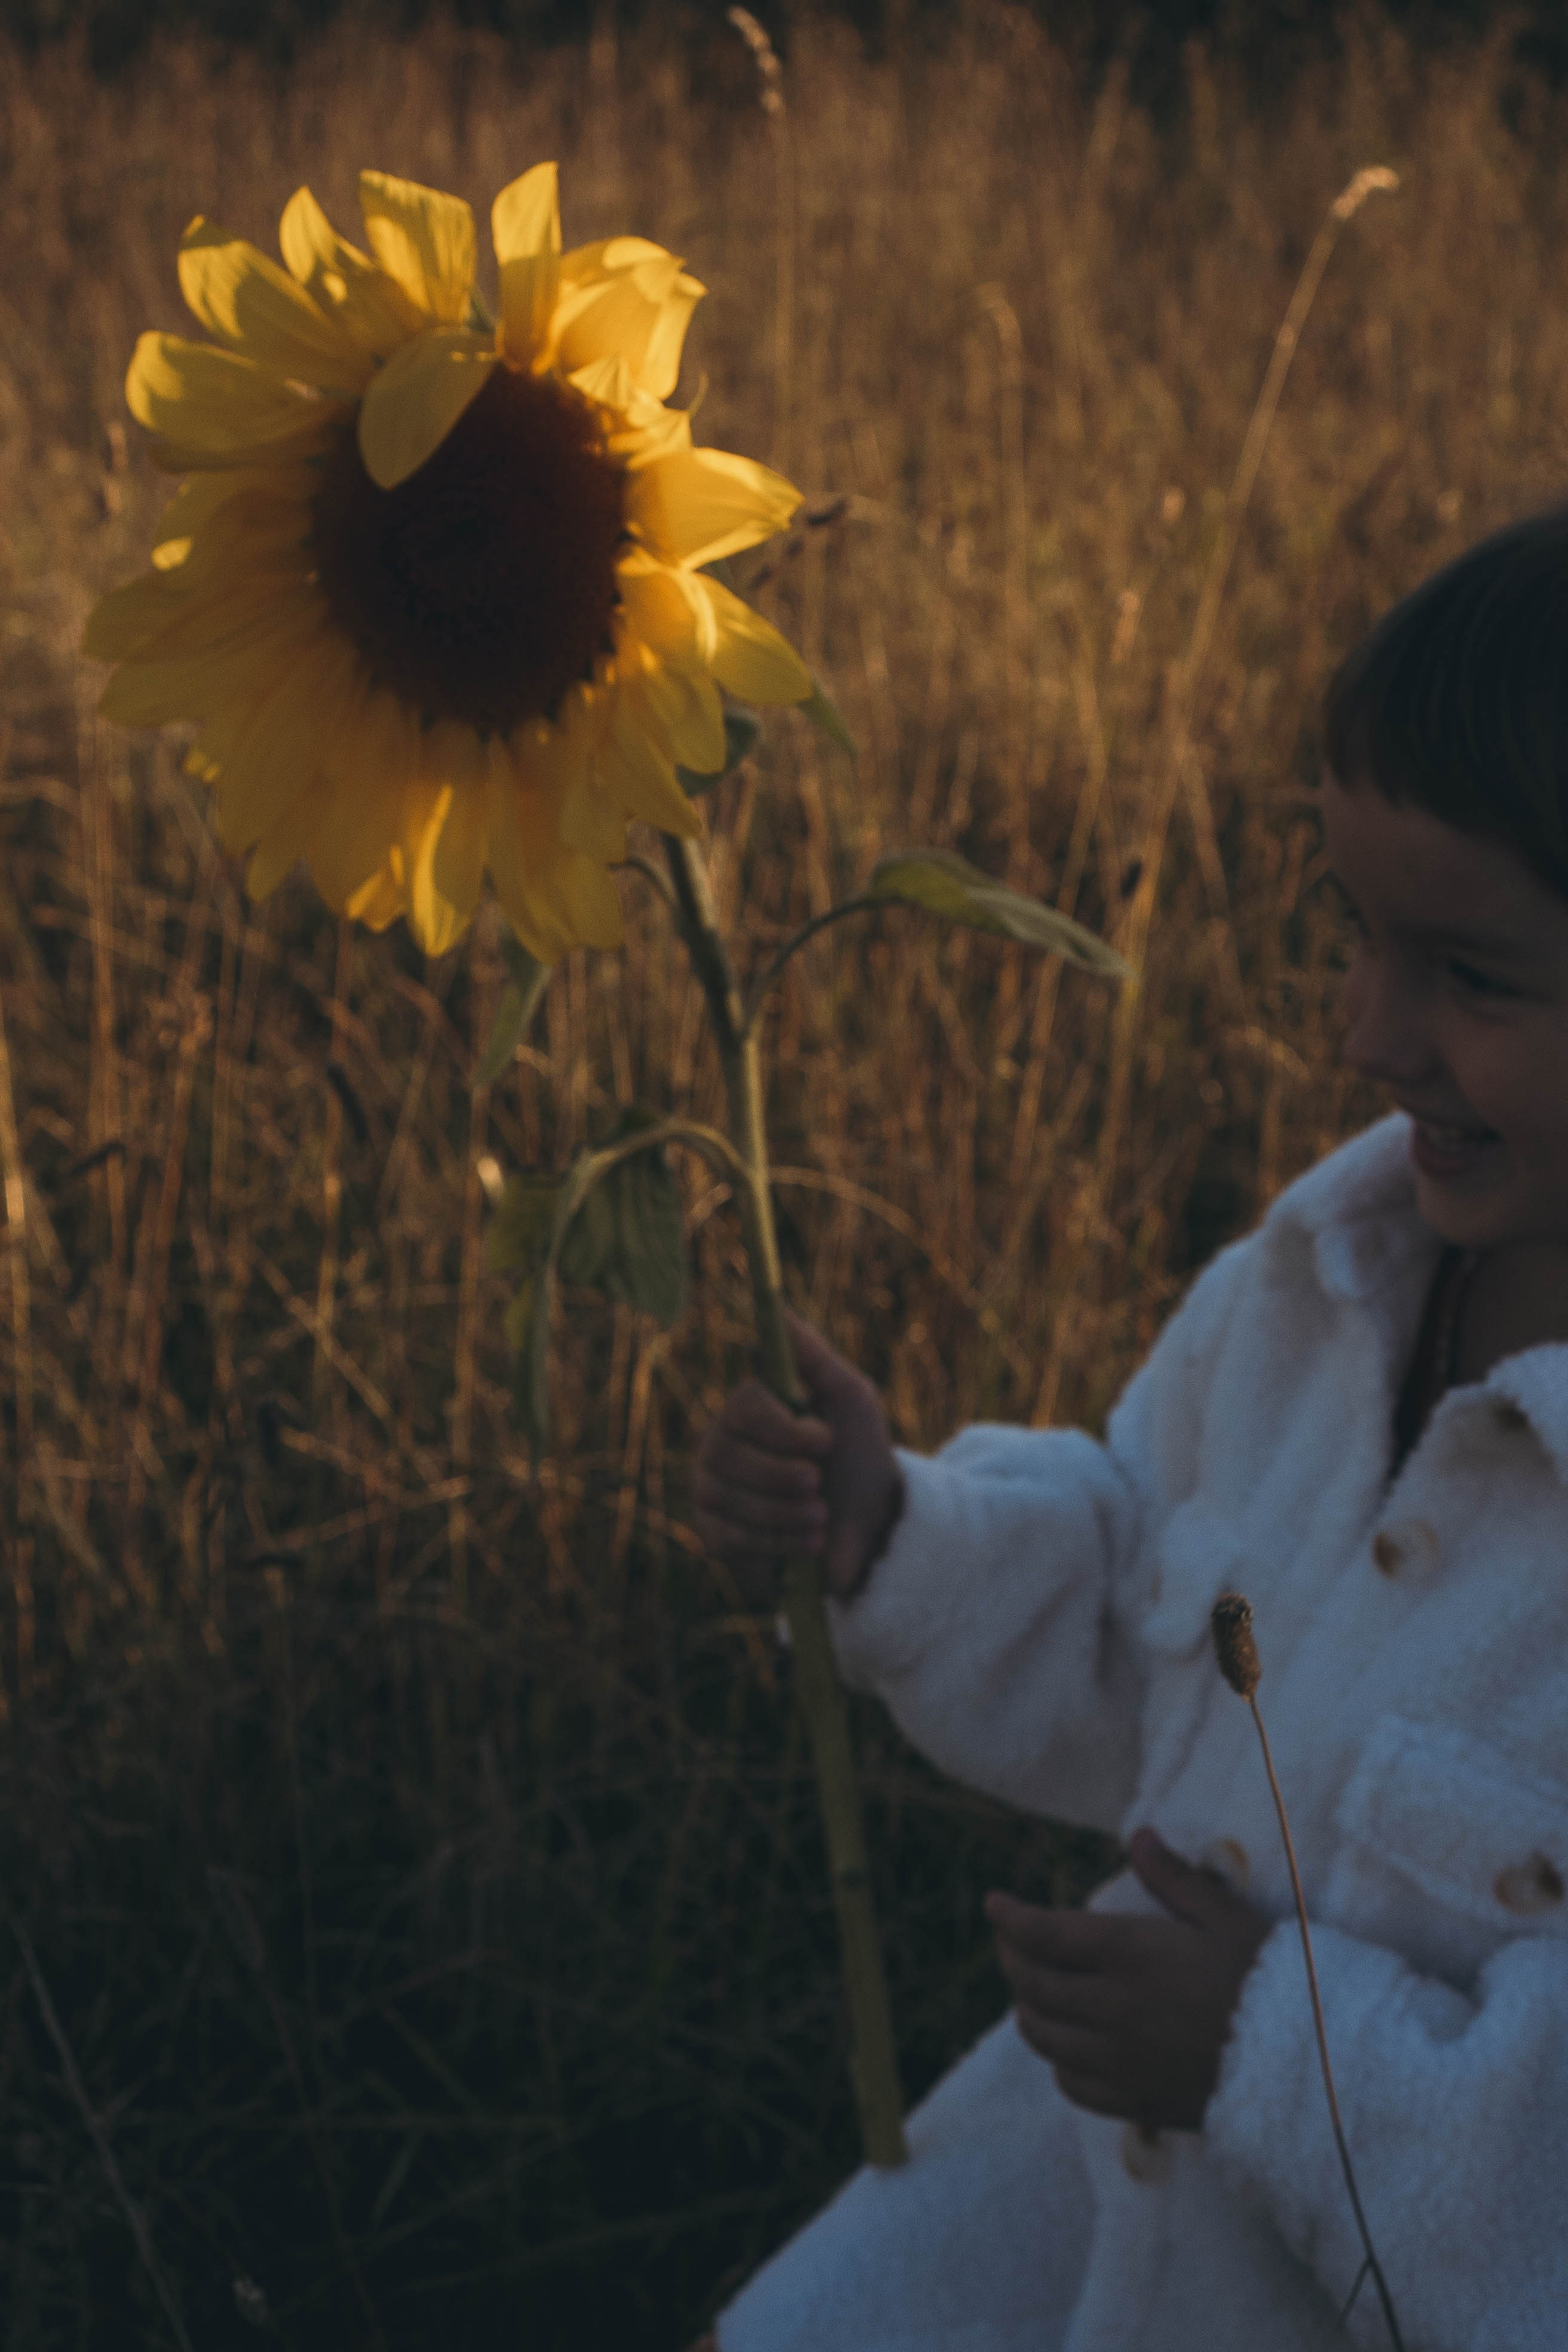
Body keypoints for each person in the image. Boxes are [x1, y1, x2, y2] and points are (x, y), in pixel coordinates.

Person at [689, 503, 1568, 2351]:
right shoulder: (1331, 1280)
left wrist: (1275, 2055)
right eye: (1356, 939)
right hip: (1065, 2232)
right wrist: (896, 1531)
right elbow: (1138, 1580)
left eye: (1471, 977)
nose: (1367, 1033)